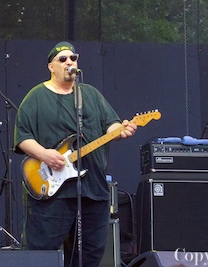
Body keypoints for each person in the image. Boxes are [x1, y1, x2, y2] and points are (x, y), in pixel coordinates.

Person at [14, 41, 137, 267]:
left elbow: (111, 126)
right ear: (51, 66)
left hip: (92, 188)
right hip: (53, 189)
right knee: (42, 251)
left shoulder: (90, 94)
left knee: (90, 253)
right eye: (63, 59)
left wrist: (122, 131)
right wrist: (45, 155)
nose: (69, 62)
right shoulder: (36, 97)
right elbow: (22, 137)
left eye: (73, 58)